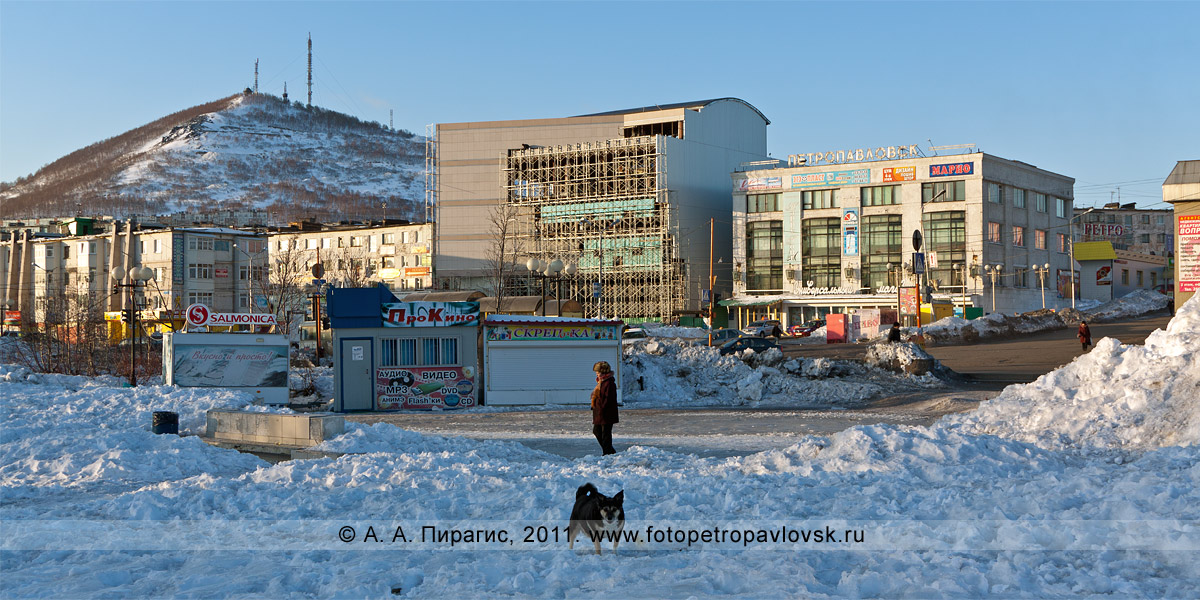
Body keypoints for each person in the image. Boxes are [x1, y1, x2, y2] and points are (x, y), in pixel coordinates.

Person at [590, 361, 619, 455]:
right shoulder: (601, 382)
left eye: (598, 372)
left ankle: (607, 453)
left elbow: (608, 399)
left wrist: (600, 406)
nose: (596, 374)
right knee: (597, 431)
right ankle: (610, 451)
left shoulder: (609, 383)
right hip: (600, 413)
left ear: (603, 372)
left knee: (605, 434)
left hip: (606, 413)